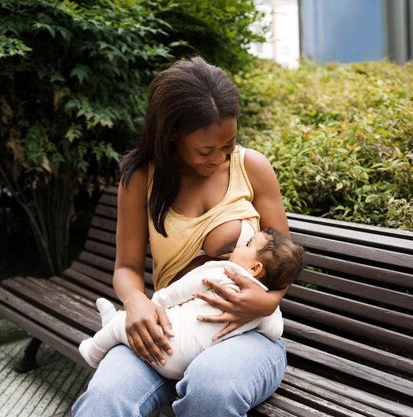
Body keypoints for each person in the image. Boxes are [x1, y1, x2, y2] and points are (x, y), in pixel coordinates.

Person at [72, 56, 292, 417]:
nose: (221, 157)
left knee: (211, 390)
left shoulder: (251, 167)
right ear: (172, 132)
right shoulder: (142, 178)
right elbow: (126, 267)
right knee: (103, 401)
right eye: (206, 150)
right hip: (167, 330)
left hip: (244, 336)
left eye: (229, 144)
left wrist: (269, 302)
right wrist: (137, 303)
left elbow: (284, 258)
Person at [78, 228, 304, 379]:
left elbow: (181, 290)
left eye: (247, 244)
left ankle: (93, 352)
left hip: (168, 344)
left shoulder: (222, 272)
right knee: (123, 326)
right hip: (189, 363)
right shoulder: (263, 306)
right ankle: (112, 324)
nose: (239, 246)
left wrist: (154, 304)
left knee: (122, 326)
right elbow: (275, 331)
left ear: (254, 268)